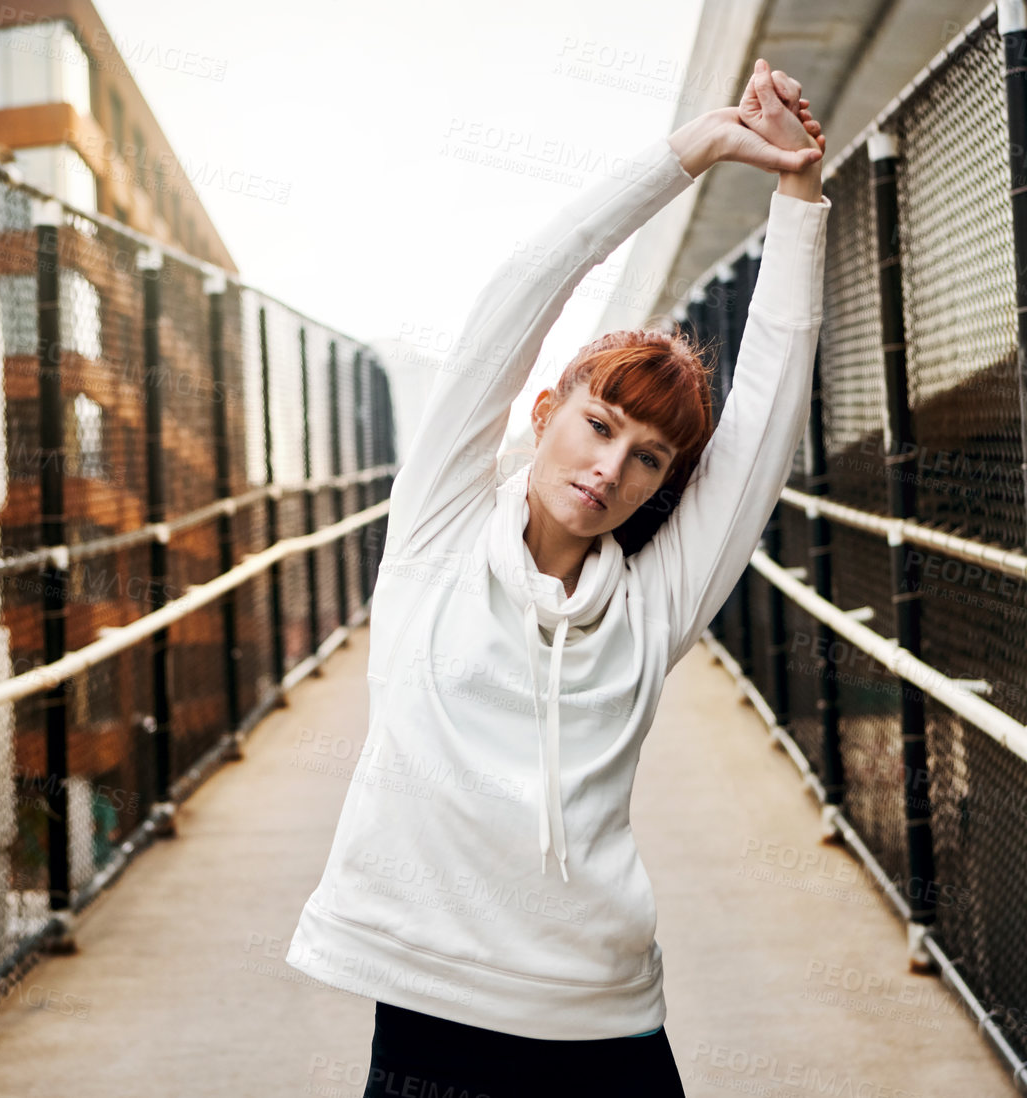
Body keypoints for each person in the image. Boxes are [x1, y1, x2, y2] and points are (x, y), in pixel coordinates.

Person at [285, 58, 832, 1098]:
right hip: (429, 1016)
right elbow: (529, 282)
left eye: (647, 457)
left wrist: (798, 199)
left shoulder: (654, 606)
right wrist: (693, 154)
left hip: (605, 1016)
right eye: (598, 426)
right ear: (546, 415)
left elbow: (763, 424)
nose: (609, 468)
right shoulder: (437, 532)